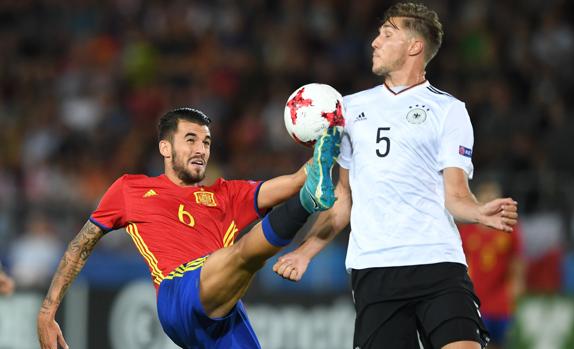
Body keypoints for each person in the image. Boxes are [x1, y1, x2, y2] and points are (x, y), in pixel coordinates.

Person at [273, 2, 518, 349]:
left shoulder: (449, 111)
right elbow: (343, 199)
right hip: (375, 268)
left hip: (438, 261)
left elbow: (456, 196)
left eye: (387, 34)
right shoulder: (350, 109)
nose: (374, 41)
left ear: (414, 46)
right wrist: (304, 252)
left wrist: (478, 212)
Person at [37, 107, 342, 349]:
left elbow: (293, 180)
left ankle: (307, 199)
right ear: (165, 148)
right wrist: (47, 313)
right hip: (177, 294)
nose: (201, 149)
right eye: (191, 140)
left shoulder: (225, 194)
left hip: (224, 313)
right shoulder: (131, 189)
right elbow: (80, 246)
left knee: (240, 257)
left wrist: (331, 137)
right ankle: (306, 203)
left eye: (207, 142)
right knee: (242, 256)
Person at [458, 181, 525, 349]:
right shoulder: (467, 231)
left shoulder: (509, 228)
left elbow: (517, 260)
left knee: (500, 344)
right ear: (479, 201)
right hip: (476, 300)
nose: (490, 200)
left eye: (494, 196)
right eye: (486, 197)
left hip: (502, 302)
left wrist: (517, 285)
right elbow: (461, 263)